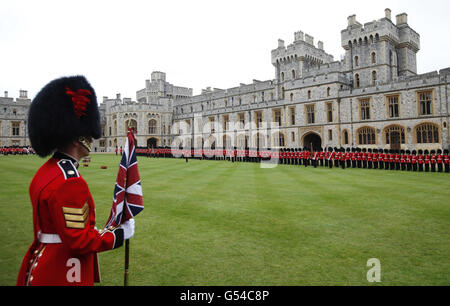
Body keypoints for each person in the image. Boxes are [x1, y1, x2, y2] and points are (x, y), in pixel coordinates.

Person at [17, 76, 134, 286]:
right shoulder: (70, 181)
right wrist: (118, 235)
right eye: (88, 134)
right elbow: (79, 240)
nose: (91, 138)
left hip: (40, 262)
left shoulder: (46, 172)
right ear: (75, 136)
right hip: (64, 271)